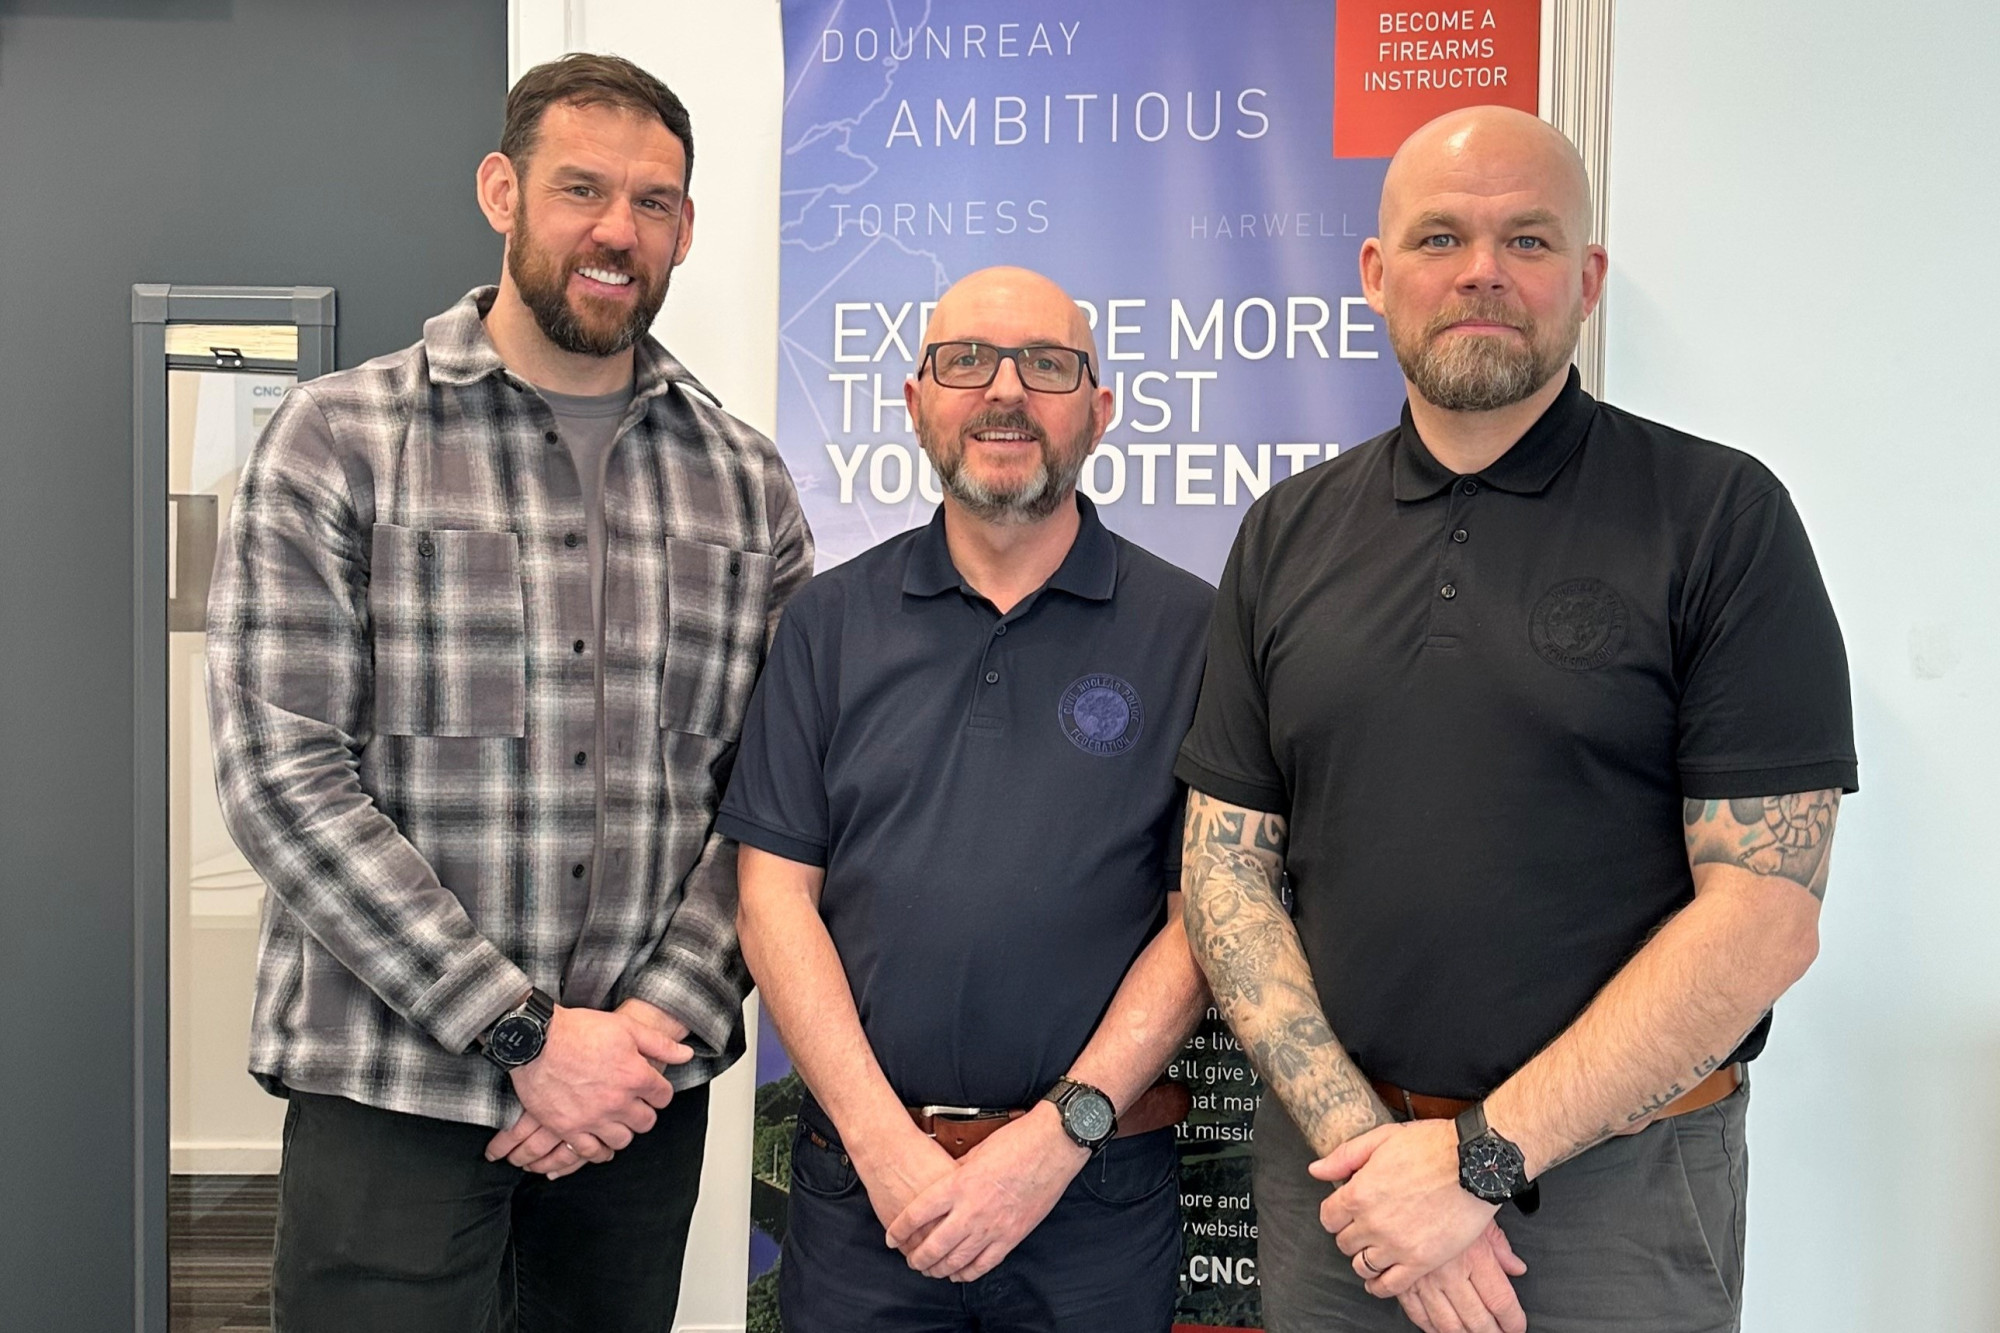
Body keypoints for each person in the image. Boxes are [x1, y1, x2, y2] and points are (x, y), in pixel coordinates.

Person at [1177, 106, 1856, 1333]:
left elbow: (1763, 917)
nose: (1481, 270)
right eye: (1439, 237)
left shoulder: (1719, 517)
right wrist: (1372, 1156)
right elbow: (1223, 873)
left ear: (1584, 281)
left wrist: (1480, 1161)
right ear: (1376, 278)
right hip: (1343, 1191)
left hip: (1616, 1194)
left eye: (1527, 241)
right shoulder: (1281, 536)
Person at [205, 53, 812, 1331]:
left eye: (654, 203)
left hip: (633, 1109)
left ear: (686, 228)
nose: (616, 231)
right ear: (501, 189)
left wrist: (650, 1027)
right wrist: (526, 1036)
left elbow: (777, 794)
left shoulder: (744, 484)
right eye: (580, 189)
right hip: (391, 1087)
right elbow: (282, 780)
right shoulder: (336, 439)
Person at [721, 266, 1212, 1332]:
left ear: (1101, 408)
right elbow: (771, 902)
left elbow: (1205, 921)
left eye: (1046, 364)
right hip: (864, 1194)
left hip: (1094, 1193)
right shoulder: (825, 626)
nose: (1003, 391)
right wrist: (882, 1144)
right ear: (913, 402)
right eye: (965, 362)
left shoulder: (1196, 633)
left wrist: (1056, 1136)